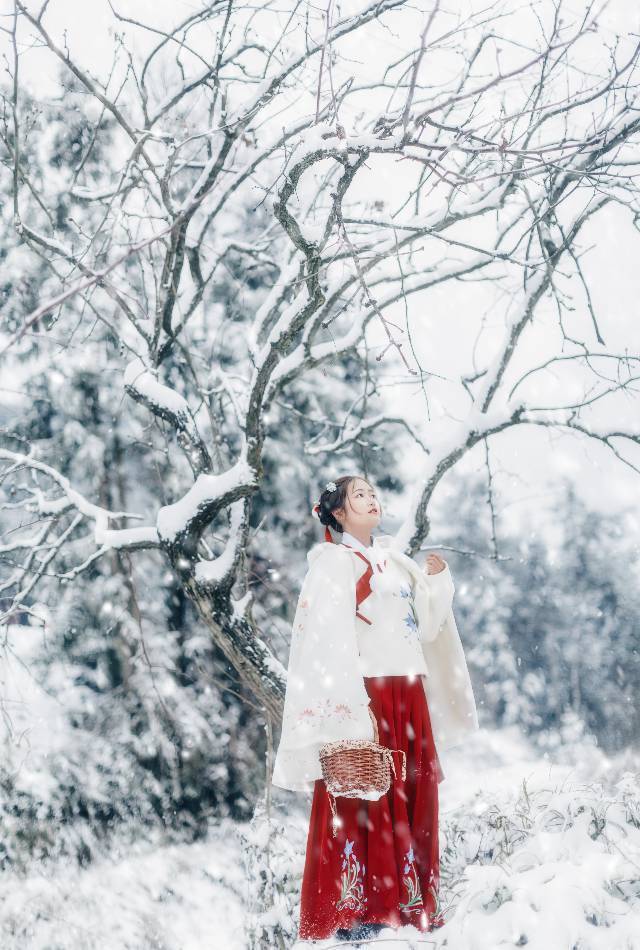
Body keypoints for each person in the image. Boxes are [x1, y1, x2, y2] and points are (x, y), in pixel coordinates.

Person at [271, 474, 479, 942]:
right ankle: (360, 910)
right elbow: (327, 640)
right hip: (367, 693)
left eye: (372, 493)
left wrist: (437, 581)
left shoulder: (394, 560)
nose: (371, 499)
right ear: (339, 513)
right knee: (363, 793)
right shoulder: (332, 564)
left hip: (408, 691)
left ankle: (410, 907)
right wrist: (348, 705)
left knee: (410, 794)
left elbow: (425, 626)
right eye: (358, 495)